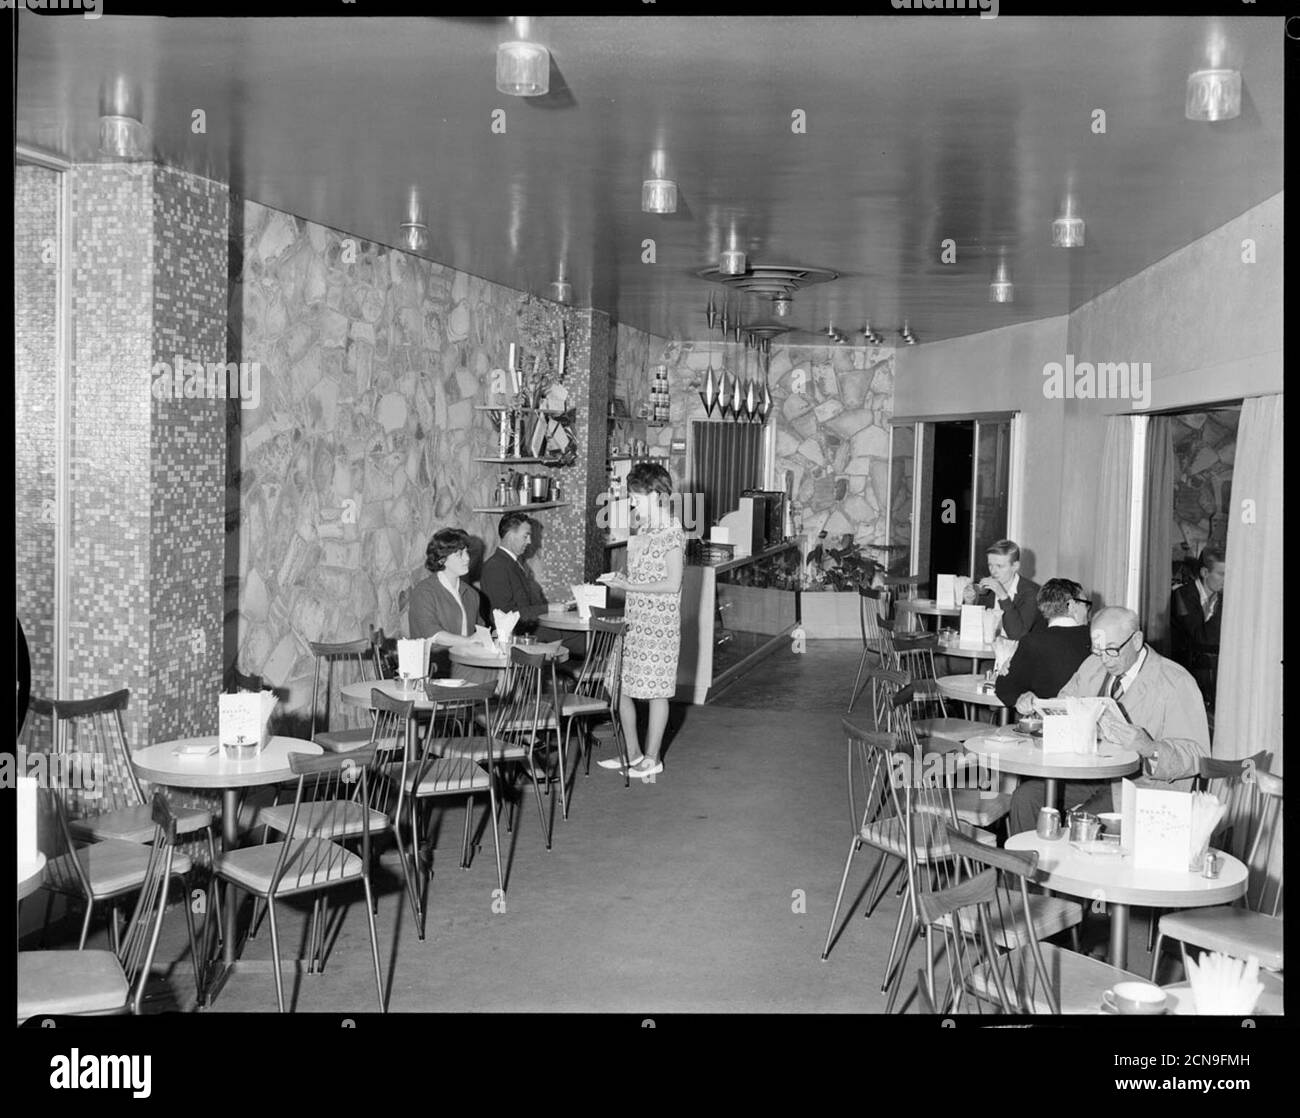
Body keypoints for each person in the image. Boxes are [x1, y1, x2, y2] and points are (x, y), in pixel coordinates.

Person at [1006, 606, 1210, 835]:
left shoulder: (1175, 681)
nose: (1105, 660)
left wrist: (1149, 747)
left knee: (1083, 821)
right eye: (1098, 650)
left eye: (1112, 651)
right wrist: (1037, 707)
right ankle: (1025, 870)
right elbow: (1063, 706)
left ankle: (1058, 868)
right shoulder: (1093, 666)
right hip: (1092, 776)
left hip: (1140, 785)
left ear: (1136, 640)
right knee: (1026, 798)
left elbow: (1197, 755)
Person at [595, 463, 684, 780]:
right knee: (621, 686)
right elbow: (644, 575)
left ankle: (652, 758)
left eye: (636, 496)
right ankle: (632, 755)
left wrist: (629, 586)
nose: (632, 502)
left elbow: (672, 584)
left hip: (659, 626)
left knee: (657, 692)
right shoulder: (644, 530)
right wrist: (623, 579)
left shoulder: (673, 534)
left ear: (657, 495)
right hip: (634, 620)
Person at [479, 512, 583, 660]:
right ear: (510, 536)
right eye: (525, 536)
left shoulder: (511, 564)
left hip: (530, 629)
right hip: (521, 636)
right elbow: (506, 614)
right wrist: (548, 608)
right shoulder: (496, 567)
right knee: (588, 638)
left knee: (587, 636)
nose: (529, 541)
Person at [408, 529, 497, 684]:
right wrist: (468, 641)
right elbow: (432, 634)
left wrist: (494, 637)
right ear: (442, 559)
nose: (467, 558)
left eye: (467, 552)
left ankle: (514, 707)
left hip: (466, 660)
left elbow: (480, 630)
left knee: (510, 671)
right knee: (497, 676)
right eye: (459, 554)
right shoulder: (424, 592)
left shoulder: (471, 594)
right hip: (436, 666)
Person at [994, 579, 1092, 711]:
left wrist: (1004, 672)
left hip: (1047, 723)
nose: (1087, 611)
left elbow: (1004, 689)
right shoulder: (1094, 638)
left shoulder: (1032, 641)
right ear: (1072, 605)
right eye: (1085, 605)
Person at [1169, 545, 1224, 711]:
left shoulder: (1219, 599)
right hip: (1185, 679)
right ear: (1205, 573)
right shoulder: (1182, 596)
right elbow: (1201, 638)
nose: (1227, 580)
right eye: (1222, 574)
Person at [962, 539, 1041, 638]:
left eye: (999, 566)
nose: (993, 571)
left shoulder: (1032, 592)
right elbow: (971, 632)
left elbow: (1016, 635)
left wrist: (1003, 596)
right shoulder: (988, 589)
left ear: (1015, 566)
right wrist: (969, 603)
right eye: (990, 565)